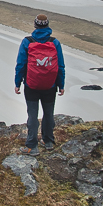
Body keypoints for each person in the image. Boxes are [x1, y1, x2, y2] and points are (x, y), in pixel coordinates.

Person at [14, 13, 65, 155]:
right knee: (48, 114)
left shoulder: (27, 42)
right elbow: (60, 66)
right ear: (48, 25)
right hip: (50, 85)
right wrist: (61, 85)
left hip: (31, 85)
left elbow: (21, 65)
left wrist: (17, 83)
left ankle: (32, 146)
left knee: (32, 115)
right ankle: (48, 142)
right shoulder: (55, 42)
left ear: (35, 25)